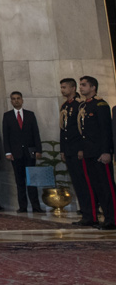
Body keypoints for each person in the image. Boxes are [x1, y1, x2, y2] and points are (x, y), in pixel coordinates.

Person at [77, 75, 115, 229]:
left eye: (84, 85)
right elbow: (83, 132)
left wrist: (107, 152)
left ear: (93, 87)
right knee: (95, 187)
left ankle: (112, 219)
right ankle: (104, 218)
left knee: (106, 187)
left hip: (100, 153)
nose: (81, 88)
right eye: (80, 85)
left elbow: (106, 131)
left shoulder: (101, 105)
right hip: (89, 153)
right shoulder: (84, 106)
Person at [2, 91, 44, 214]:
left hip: (30, 153)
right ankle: (23, 206)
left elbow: (36, 133)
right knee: (19, 181)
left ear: (22, 100)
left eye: (18, 98)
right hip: (16, 154)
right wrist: (8, 152)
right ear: (11, 101)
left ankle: (36, 206)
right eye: (13, 99)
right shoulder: (7, 116)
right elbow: (6, 136)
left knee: (32, 180)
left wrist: (38, 150)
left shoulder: (30, 115)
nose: (16, 100)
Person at [60, 78, 93, 226]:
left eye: (65, 87)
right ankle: (85, 212)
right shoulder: (64, 106)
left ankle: (90, 213)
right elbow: (63, 130)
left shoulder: (80, 105)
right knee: (77, 183)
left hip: (78, 150)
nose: (62, 90)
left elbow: (82, 130)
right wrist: (62, 150)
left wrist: (81, 148)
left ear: (73, 89)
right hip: (69, 150)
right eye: (61, 87)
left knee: (85, 182)